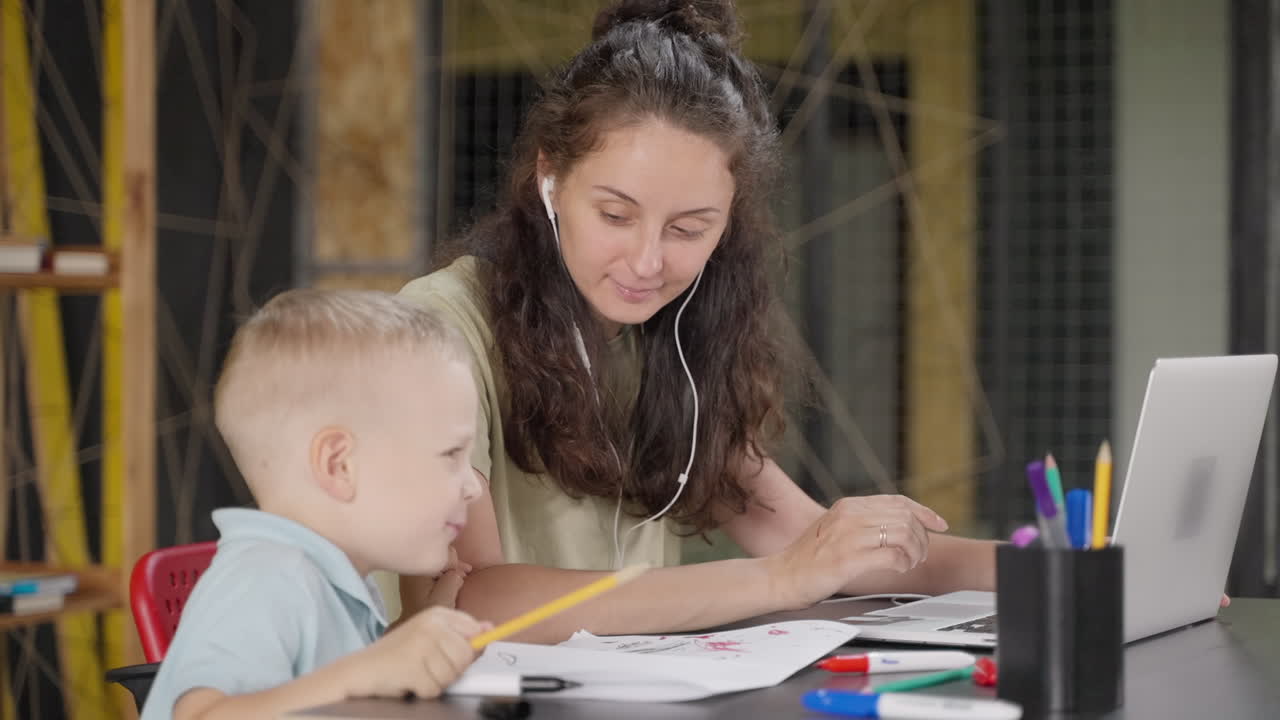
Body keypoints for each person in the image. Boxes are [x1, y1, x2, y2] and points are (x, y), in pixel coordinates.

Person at [397, 0, 996, 643]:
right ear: (550, 178)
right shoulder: (438, 329)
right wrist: (780, 579)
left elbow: (803, 536)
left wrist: (1046, 566)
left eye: (688, 229)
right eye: (615, 216)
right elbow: (474, 598)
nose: (647, 262)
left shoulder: (673, 335)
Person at [142, 289, 488, 720]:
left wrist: (419, 626)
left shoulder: (334, 579)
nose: (473, 487)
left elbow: (321, 694)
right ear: (339, 465)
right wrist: (367, 673)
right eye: (451, 455)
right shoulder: (266, 577)